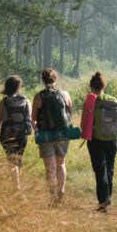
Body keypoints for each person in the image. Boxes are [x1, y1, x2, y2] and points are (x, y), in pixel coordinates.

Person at [82, 71, 117, 212]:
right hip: (113, 140)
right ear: (104, 86)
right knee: (109, 169)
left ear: (91, 87)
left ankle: (103, 201)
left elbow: (84, 122)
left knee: (100, 170)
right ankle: (107, 199)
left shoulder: (90, 101)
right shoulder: (114, 100)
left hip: (96, 140)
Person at [33, 68, 73, 204]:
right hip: (63, 134)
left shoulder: (39, 96)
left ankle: (53, 196)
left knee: (50, 168)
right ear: (56, 79)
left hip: (45, 135)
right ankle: (61, 190)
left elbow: (33, 120)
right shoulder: (65, 94)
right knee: (60, 164)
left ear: (43, 80)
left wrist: (36, 131)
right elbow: (70, 114)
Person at [0, 75, 32, 188]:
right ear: (18, 87)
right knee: (19, 157)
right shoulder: (26, 101)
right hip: (22, 134)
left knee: (11, 159)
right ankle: (17, 181)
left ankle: (16, 186)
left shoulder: (3, 102)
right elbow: (29, 118)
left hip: (7, 133)